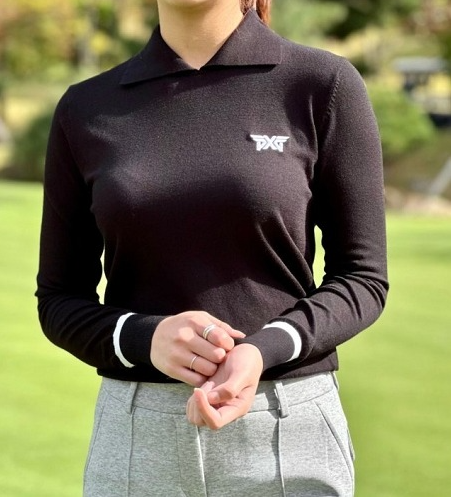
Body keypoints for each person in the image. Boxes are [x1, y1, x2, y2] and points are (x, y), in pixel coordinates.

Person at [36, 0, 389, 496]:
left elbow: (363, 279)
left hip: (288, 426)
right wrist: (145, 337)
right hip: (138, 436)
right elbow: (58, 299)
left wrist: (263, 350)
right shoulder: (86, 107)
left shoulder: (322, 84)